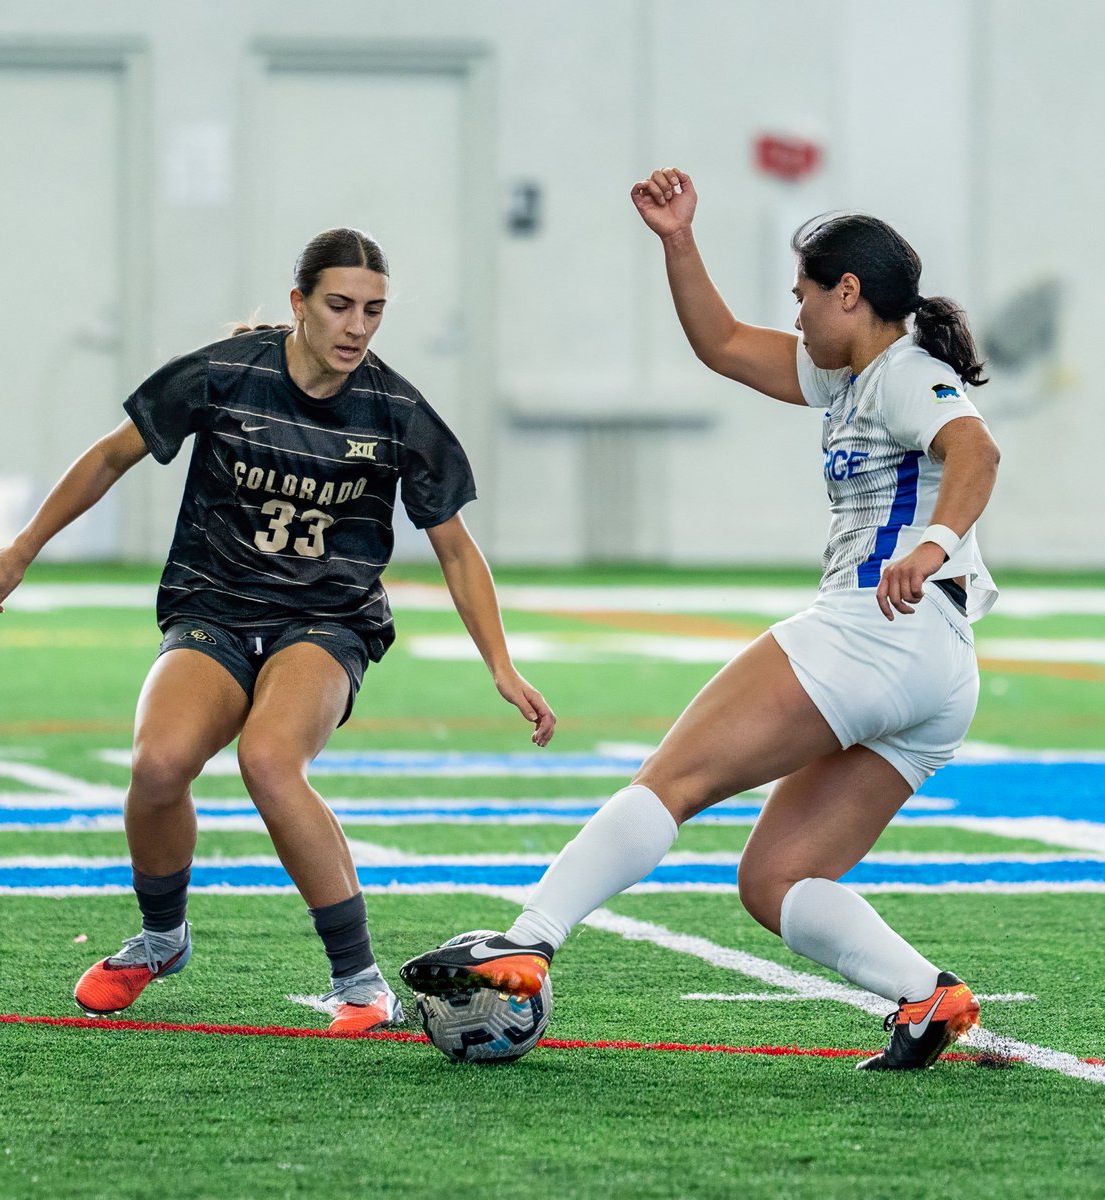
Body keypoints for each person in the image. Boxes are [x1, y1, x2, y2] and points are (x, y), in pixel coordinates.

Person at [402, 168, 1000, 1070]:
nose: (794, 315)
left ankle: (529, 937)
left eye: (803, 296)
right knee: (775, 880)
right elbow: (720, 342)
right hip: (940, 669)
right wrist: (679, 241)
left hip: (878, 629)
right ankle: (929, 997)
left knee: (670, 779)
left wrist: (935, 541)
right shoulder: (851, 377)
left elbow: (977, 448)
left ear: (850, 292)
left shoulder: (906, 373)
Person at [0, 227, 555, 1032]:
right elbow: (112, 456)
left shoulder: (396, 411)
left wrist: (501, 664)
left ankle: (359, 981)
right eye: (341, 306)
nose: (357, 327)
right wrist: (21, 550)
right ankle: (160, 938)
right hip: (213, 606)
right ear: (299, 304)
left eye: (374, 312)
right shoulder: (223, 374)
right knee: (158, 763)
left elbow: (455, 549)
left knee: (270, 761)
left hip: (327, 619)